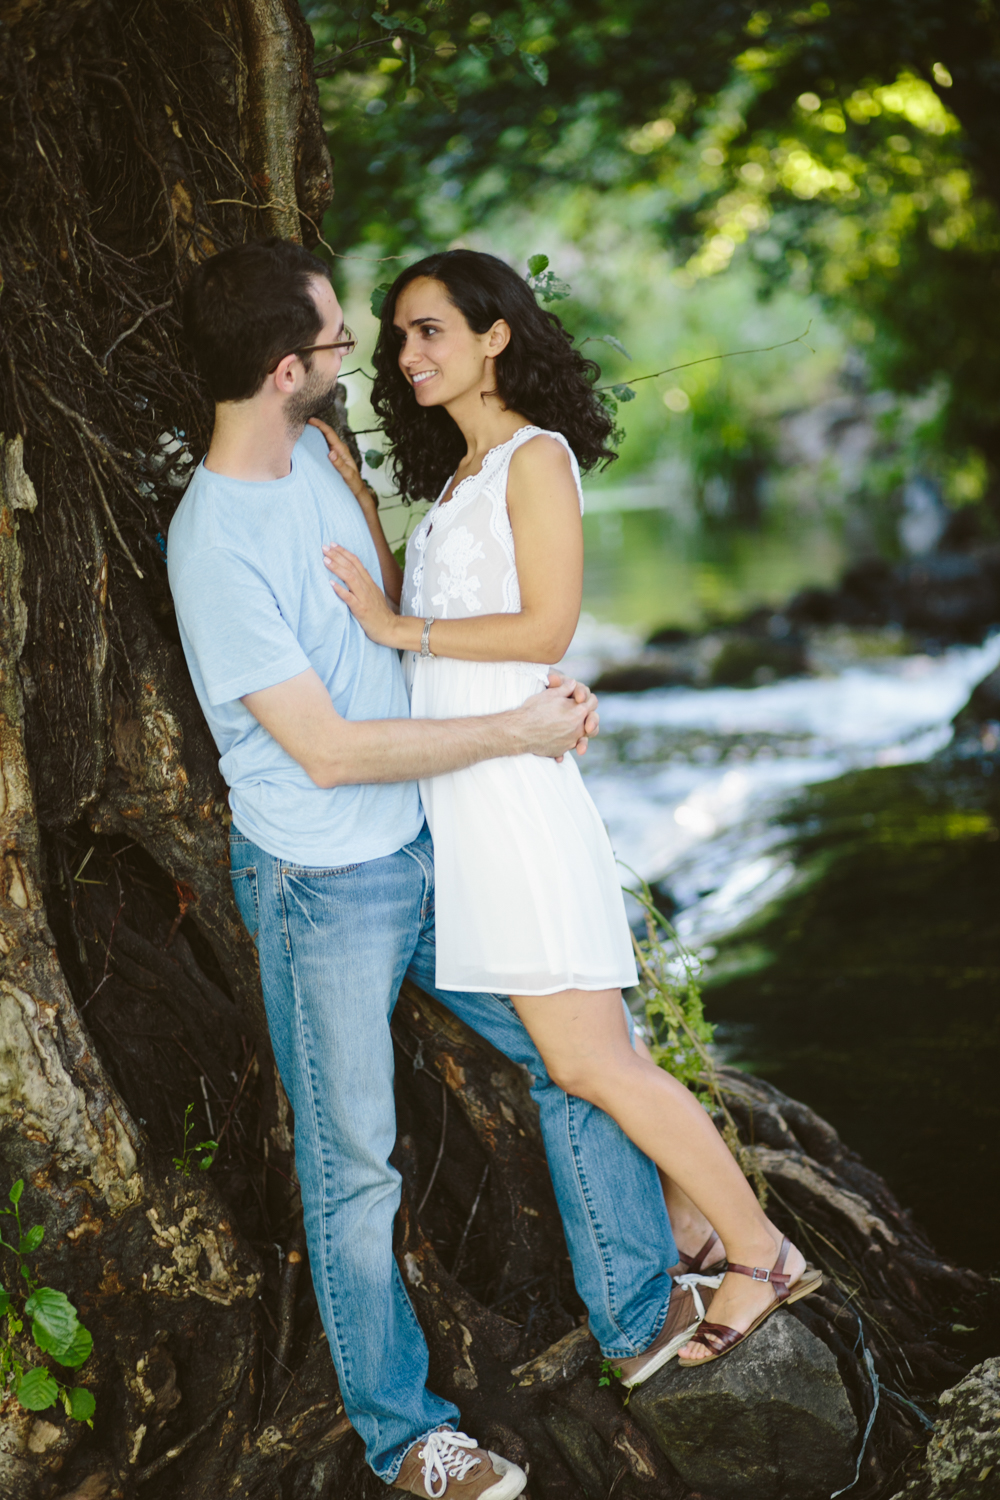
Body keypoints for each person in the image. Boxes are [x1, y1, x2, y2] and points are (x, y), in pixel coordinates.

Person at [167, 237, 697, 1500]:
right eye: (343, 342)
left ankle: (634, 1312)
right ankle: (408, 1439)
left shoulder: (325, 454)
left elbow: (402, 626)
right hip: (322, 883)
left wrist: (532, 690)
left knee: (574, 1054)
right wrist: (515, 731)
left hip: (434, 839)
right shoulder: (210, 547)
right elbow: (330, 750)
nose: (368, 360)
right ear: (288, 367)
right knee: (355, 1164)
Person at [317, 248, 821, 1376]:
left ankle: (757, 1251)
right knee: (594, 1054)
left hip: (514, 806)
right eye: (398, 338)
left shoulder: (534, 460)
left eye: (431, 331)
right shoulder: (458, 478)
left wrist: (402, 634)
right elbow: (464, 632)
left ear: (496, 335)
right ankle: (694, 1220)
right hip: (467, 798)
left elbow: (545, 630)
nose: (408, 358)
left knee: (592, 1066)